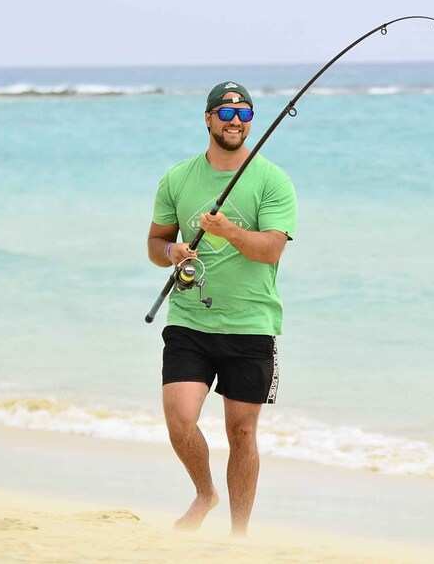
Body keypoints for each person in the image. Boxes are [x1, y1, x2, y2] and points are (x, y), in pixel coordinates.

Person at [147, 81, 297, 536]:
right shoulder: (178, 178)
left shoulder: (272, 179)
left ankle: (239, 536)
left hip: (252, 324)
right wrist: (173, 253)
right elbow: (155, 243)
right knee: (180, 420)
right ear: (208, 119)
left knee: (242, 433)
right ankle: (204, 492)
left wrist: (229, 231)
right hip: (190, 320)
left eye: (245, 113)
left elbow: (271, 250)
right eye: (226, 112)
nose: (236, 120)